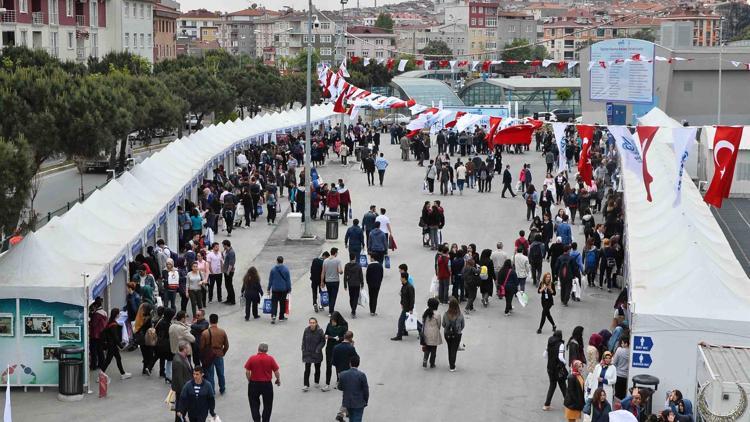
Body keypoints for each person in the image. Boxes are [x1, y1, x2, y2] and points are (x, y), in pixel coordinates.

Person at [244, 343, 281, 422]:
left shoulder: (252, 358)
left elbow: (247, 371)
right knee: (268, 404)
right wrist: (278, 380)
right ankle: (265, 420)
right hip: (267, 385)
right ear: (267, 350)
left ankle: (256, 420)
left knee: (254, 404)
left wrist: (249, 380)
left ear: (258, 349)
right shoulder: (270, 359)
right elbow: (276, 371)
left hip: (254, 384)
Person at [332, 331, 359, 421]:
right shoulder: (350, 348)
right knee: (348, 394)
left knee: (346, 392)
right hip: (349, 372)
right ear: (351, 338)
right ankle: (341, 413)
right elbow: (355, 359)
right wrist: (353, 346)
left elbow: (334, 362)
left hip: (340, 372)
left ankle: (347, 412)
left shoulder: (336, 347)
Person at [200, 314, 229, 395]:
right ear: (217, 321)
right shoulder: (222, 332)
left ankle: (212, 391)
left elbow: (202, 347)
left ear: (210, 321)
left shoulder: (205, 333)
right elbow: (226, 345)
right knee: (221, 373)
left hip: (209, 356)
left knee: (210, 374)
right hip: (219, 354)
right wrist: (222, 352)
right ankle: (222, 388)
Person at [100, 308, 132, 380]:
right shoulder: (113, 324)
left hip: (111, 344)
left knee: (117, 358)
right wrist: (121, 346)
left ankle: (123, 373)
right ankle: (101, 375)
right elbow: (115, 337)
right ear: (117, 314)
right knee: (108, 360)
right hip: (112, 345)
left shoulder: (110, 322)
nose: (119, 314)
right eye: (119, 313)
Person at [337, 355, 369, 422]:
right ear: (358, 364)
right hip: (359, 402)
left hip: (348, 402)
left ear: (350, 363)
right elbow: (366, 390)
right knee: (357, 419)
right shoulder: (362, 375)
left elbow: (339, 387)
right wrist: (365, 401)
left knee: (351, 418)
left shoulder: (343, 374)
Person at [322, 312, 348, 392]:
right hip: (329, 347)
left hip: (339, 348)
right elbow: (326, 333)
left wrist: (339, 338)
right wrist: (326, 336)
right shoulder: (329, 325)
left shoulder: (344, 326)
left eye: (334, 321)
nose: (332, 323)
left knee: (338, 366)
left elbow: (345, 337)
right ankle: (327, 384)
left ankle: (338, 381)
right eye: (331, 321)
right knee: (328, 365)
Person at [544, 330, 567, 411]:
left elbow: (544, 355)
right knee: (563, 386)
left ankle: (546, 405)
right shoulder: (561, 344)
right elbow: (560, 357)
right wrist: (564, 362)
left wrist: (550, 360)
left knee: (552, 385)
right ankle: (568, 405)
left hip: (550, 368)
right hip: (558, 369)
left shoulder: (549, 342)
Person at [301, 317, 325, 392]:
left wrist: (318, 349)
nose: (312, 324)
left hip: (316, 353)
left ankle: (316, 381)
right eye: (310, 323)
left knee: (317, 368)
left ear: (316, 323)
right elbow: (304, 340)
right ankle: (306, 385)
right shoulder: (306, 330)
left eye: (313, 323)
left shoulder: (320, 331)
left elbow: (323, 341)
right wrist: (303, 349)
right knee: (307, 369)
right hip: (308, 353)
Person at [171, 341, 194, 422]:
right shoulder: (178, 361)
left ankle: (181, 418)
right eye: (188, 348)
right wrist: (184, 392)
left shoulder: (184, 357)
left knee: (183, 407)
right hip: (182, 389)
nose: (189, 349)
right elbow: (179, 378)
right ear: (184, 349)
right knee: (181, 408)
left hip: (186, 386)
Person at [441, 297, 465, 372]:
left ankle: (450, 362)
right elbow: (463, 325)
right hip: (457, 334)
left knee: (450, 347)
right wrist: (458, 329)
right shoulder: (460, 315)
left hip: (447, 334)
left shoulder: (445, 314)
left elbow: (443, 324)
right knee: (454, 349)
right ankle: (452, 365)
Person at [391, 272, 415, 341]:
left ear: (404, 278)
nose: (400, 279)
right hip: (405, 306)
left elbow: (412, 299)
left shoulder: (410, 287)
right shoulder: (403, 286)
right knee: (410, 320)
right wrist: (401, 303)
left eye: (401, 277)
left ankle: (399, 336)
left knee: (401, 321)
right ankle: (403, 332)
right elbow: (402, 296)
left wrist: (411, 308)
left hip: (407, 307)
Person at [268, 256, 292, 324]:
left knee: (274, 303)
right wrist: (289, 288)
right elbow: (288, 280)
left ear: (277, 261)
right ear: (283, 261)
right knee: (282, 303)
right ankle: (281, 317)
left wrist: (268, 288)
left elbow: (270, 280)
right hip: (283, 289)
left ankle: (273, 316)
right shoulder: (286, 269)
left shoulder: (273, 270)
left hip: (275, 289)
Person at [321, 248, 344, 315]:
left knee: (330, 295)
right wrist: (341, 271)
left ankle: (331, 309)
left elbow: (323, 272)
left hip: (328, 281)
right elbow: (340, 271)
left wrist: (322, 282)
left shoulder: (325, 261)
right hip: (335, 281)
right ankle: (331, 311)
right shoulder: (338, 261)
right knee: (333, 296)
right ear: (335, 253)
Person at [421, 298, 442, 368]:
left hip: (426, 332)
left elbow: (423, 321)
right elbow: (439, 324)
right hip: (434, 333)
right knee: (433, 349)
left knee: (427, 348)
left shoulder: (425, 312)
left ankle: (425, 360)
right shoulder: (437, 314)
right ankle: (432, 363)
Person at [343, 253, 364, 318]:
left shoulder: (346, 266)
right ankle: (353, 310)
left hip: (350, 284)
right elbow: (361, 275)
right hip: (357, 284)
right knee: (356, 297)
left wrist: (345, 285)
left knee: (351, 297)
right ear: (355, 258)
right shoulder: (358, 266)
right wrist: (362, 283)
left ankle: (352, 308)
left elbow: (345, 276)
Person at [612, 336, 630, 400]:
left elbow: (614, 362)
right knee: (625, 394)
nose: (622, 345)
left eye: (622, 343)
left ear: (626, 343)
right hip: (627, 377)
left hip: (619, 375)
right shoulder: (631, 352)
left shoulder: (619, 350)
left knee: (618, 395)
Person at [221, 240, 236, 305]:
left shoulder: (231, 252)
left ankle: (232, 300)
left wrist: (228, 271)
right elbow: (225, 258)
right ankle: (229, 298)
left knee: (229, 286)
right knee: (227, 285)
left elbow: (231, 263)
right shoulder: (227, 251)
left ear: (226, 245)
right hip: (226, 270)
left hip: (229, 271)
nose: (223, 246)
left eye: (223, 245)